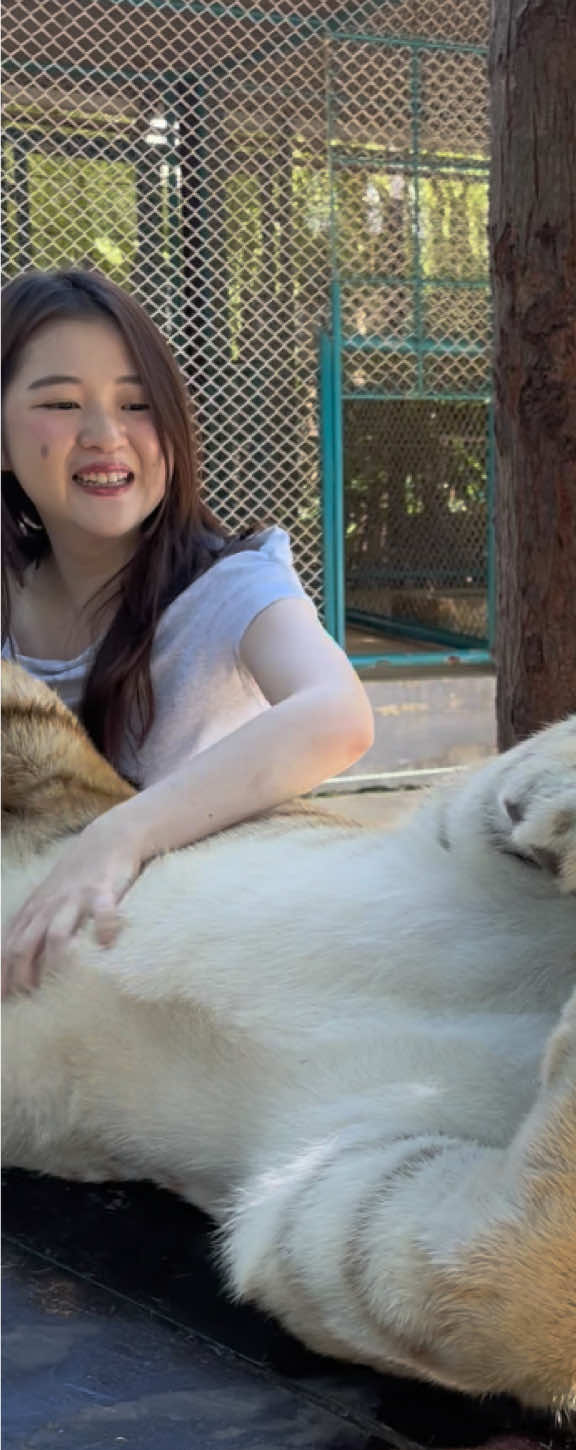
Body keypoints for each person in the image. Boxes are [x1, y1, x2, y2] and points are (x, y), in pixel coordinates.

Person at [1, 269, 375, 995]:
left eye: (137, 404)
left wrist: (118, 837)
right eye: (60, 403)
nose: (106, 435)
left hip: (207, 972)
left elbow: (339, 714)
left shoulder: (230, 584)